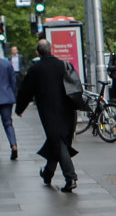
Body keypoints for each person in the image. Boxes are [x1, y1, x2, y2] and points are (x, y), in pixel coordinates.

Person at [15, 39, 78, 193]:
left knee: (57, 141)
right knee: (56, 141)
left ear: (38, 52)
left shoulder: (36, 69)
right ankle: (47, 174)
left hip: (49, 112)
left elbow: (25, 90)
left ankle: (71, 177)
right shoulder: (62, 65)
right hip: (68, 110)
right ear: (52, 49)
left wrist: (19, 109)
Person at [0, 57, 18, 160]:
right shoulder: (7, 64)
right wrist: (13, 95)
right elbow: (13, 82)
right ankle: (13, 145)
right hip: (7, 98)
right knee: (8, 124)